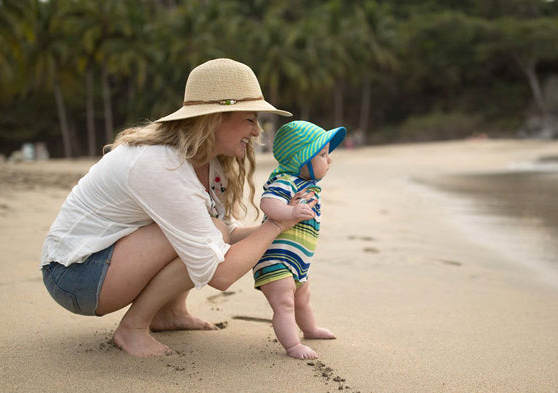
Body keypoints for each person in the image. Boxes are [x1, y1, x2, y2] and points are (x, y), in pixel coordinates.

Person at [40, 59, 317, 357]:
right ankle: (132, 328)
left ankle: (168, 313)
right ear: (215, 119)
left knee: (212, 229)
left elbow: (230, 231)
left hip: (108, 262)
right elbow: (220, 274)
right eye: (249, 119)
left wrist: (288, 219)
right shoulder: (162, 165)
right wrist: (275, 226)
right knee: (208, 232)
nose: (256, 132)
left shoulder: (211, 164)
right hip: (74, 275)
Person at [251, 121, 345, 360]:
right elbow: (268, 202)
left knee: (302, 298)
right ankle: (292, 345)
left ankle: (310, 329)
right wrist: (291, 213)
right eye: (323, 154)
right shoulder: (286, 180)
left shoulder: (308, 186)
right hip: (275, 259)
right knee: (285, 303)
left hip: (297, 262)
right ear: (301, 159)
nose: (329, 160)